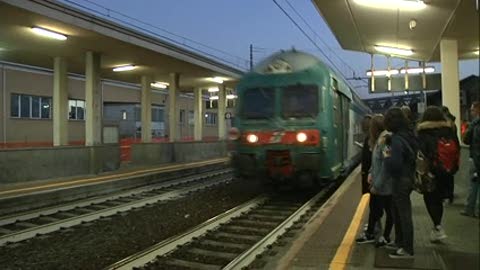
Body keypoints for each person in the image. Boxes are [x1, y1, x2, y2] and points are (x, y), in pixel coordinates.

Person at [416, 106, 459, 242]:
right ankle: (437, 227)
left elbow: (421, 154)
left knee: (431, 199)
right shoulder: (449, 130)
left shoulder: (423, 132)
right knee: (438, 199)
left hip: (431, 172)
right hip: (446, 171)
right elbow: (456, 149)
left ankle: (438, 227)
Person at [383, 107, 417, 259]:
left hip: (400, 179)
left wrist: (386, 149)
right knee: (398, 211)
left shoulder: (395, 139)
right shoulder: (409, 135)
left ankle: (407, 249)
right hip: (408, 177)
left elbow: (392, 163)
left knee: (403, 214)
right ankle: (399, 242)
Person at [356, 114, 394, 247]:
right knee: (375, 208)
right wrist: (371, 173)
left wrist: (377, 185)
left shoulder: (384, 141)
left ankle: (385, 237)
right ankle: (371, 233)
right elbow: (376, 162)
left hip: (384, 186)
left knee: (389, 211)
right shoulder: (379, 140)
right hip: (379, 183)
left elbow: (387, 163)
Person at [461, 101, 480, 217]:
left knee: (473, 185)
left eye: (473, 110)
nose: (471, 112)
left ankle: (470, 209)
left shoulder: (475, 125)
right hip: (476, 158)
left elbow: (467, 140)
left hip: (476, 159)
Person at [441, 106, 460, 203]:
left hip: (446, 150)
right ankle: (450, 194)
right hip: (453, 149)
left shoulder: (446, 124)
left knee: (445, 174)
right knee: (450, 173)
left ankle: (446, 194)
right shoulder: (452, 123)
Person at [361, 115, 373, 195]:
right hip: (369, 173)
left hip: (369, 175)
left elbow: (368, 158)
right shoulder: (370, 138)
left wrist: (370, 172)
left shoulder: (369, 139)